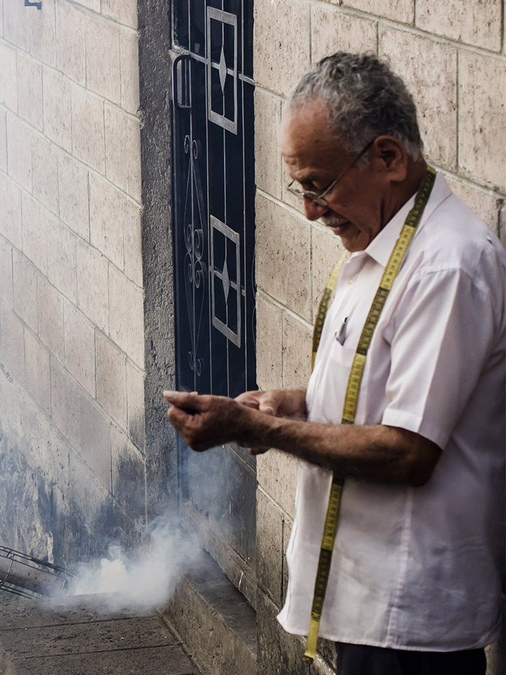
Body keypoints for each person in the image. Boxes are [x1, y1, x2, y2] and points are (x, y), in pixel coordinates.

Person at [165, 52, 506, 674]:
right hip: (367, 603)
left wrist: (256, 429)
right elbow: (381, 390)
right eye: (300, 187)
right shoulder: (380, 241)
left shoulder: (448, 265)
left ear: (388, 158)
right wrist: (293, 402)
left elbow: (407, 451)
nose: (310, 211)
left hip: (409, 617)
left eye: (318, 185)